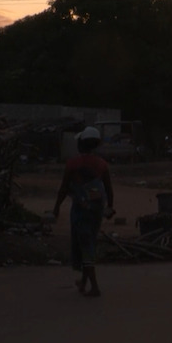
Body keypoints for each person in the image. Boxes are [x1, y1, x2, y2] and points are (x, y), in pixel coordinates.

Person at [53, 126, 116, 296]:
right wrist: (110, 207)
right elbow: (109, 189)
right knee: (89, 242)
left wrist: (56, 207)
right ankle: (83, 282)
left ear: (81, 144)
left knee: (85, 246)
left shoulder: (73, 164)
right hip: (96, 211)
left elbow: (64, 188)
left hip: (80, 211)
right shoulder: (101, 164)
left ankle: (94, 287)